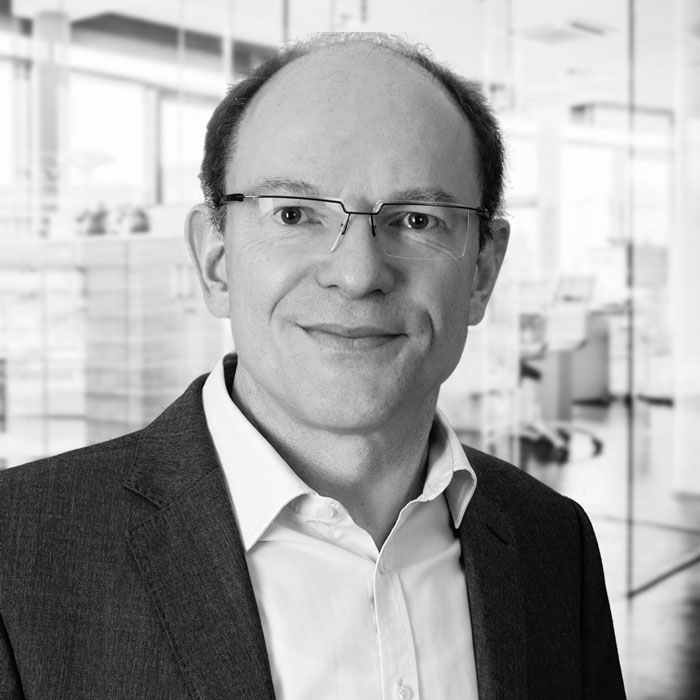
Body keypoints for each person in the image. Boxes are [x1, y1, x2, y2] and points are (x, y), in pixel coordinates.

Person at [0, 33, 626, 700]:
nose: (357, 274)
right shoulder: (18, 555)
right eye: (295, 214)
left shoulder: (551, 542)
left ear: (483, 271)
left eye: (417, 220)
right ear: (215, 261)